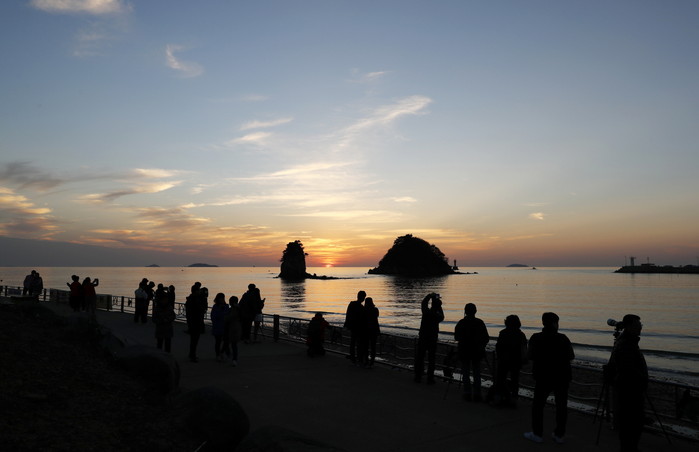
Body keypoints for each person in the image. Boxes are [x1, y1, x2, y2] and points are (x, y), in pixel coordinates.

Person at [524, 312, 575, 444]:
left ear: (543, 323)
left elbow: (529, 356)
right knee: (561, 406)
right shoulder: (563, 338)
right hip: (562, 376)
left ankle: (537, 433)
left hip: (543, 376)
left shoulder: (536, 338)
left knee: (538, 405)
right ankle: (559, 434)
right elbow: (571, 356)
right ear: (554, 324)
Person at [606, 314, 648, 452]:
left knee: (630, 425)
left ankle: (630, 448)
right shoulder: (626, 345)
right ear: (629, 327)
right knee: (632, 424)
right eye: (638, 325)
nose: (640, 328)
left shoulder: (627, 342)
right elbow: (627, 370)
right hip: (630, 391)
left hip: (629, 389)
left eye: (640, 325)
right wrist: (640, 381)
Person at [454, 302, 490, 401]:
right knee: (477, 373)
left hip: (464, 351)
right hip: (477, 352)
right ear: (475, 311)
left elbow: (456, 337)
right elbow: (486, 338)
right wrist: (481, 345)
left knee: (465, 372)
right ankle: (477, 394)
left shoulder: (461, 323)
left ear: (465, 311)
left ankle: (467, 393)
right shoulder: (480, 322)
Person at [494, 314, 528, 407]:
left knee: (500, 380)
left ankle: (498, 398)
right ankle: (513, 400)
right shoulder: (521, 335)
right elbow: (524, 349)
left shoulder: (503, 333)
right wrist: (524, 359)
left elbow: (498, 347)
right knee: (515, 380)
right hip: (516, 360)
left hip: (503, 360)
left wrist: (499, 356)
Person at [414, 293, 444, 384]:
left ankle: (418, 376)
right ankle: (430, 378)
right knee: (431, 359)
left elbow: (423, 303)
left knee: (420, 357)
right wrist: (438, 305)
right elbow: (442, 316)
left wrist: (429, 296)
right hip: (432, 338)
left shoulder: (426, 312)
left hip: (423, 336)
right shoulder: (438, 315)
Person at [185, 286, 208, 363]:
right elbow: (200, 309)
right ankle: (192, 355)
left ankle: (192, 354)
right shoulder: (194, 299)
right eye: (198, 290)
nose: (200, 292)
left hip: (194, 321)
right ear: (196, 291)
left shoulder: (193, 298)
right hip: (195, 322)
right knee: (194, 340)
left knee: (194, 340)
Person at [343, 290, 366, 364]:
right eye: (364, 297)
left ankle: (353, 357)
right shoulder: (361, 307)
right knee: (358, 343)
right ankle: (358, 357)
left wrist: (347, 324)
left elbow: (348, 314)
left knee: (353, 342)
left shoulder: (352, 304)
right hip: (359, 327)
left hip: (353, 326)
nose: (364, 299)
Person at [153, 285, 175, 353]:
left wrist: (168, 319)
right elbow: (154, 319)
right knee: (159, 345)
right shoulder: (157, 308)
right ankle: (159, 356)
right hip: (160, 329)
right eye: (164, 299)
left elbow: (173, 316)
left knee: (167, 345)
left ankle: (167, 356)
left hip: (168, 329)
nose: (165, 300)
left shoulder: (169, 307)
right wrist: (161, 321)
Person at [210, 293, 230, 362]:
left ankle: (222, 352)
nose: (222, 299)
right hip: (217, 326)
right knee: (218, 342)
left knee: (226, 341)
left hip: (225, 326)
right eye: (220, 298)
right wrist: (221, 313)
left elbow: (228, 315)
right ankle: (217, 355)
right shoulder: (215, 306)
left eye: (222, 298)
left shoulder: (226, 306)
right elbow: (213, 317)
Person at [225, 296, 243, 366]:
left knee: (230, 344)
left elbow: (229, 318)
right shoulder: (239, 309)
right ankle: (234, 358)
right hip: (236, 328)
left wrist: (225, 318)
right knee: (233, 345)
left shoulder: (234, 310)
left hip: (232, 328)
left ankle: (232, 358)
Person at [364, 297, 380, 367]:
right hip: (374, 329)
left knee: (366, 346)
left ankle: (366, 360)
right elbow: (376, 319)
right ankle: (372, 361)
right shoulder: (375, 310)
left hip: (366, 330)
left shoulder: (364, 310)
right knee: (373, 346)